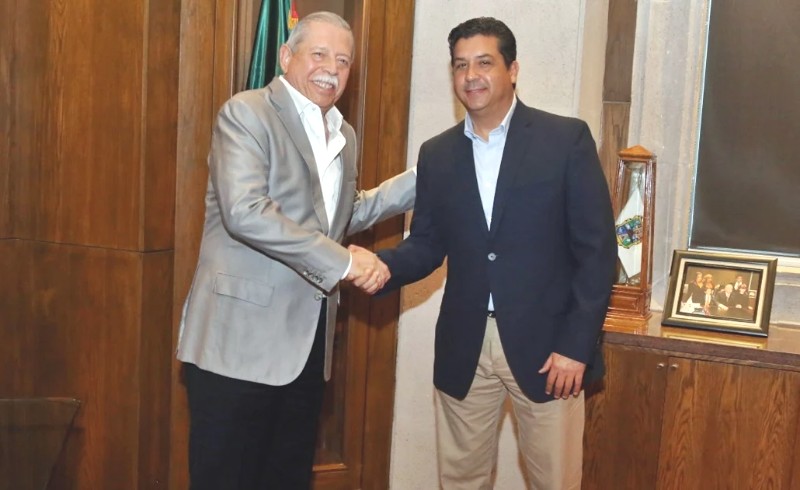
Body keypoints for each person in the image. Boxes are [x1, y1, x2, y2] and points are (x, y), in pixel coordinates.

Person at [176, 11, 416, 489]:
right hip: (237, 347)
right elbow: (246, 212)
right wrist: (345, 262)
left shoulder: (343, 135)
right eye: (319, 54)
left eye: (343, 61)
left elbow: (341, 215)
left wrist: (425, 178)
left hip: (306, 350)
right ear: (286, 56)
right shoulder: (247, 113)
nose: (332, 68)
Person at [378, 17, 616, 490]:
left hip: (550, 351)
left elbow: (597, 252)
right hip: (465, 345)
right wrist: (378, 266)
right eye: (460, 65)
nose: (471, 76)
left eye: (484, 63)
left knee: (555, 481)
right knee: (460, 481)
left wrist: (576, 346)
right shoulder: (437, 154)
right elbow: (427, 244)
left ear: (513, 69)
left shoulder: (565, 140)